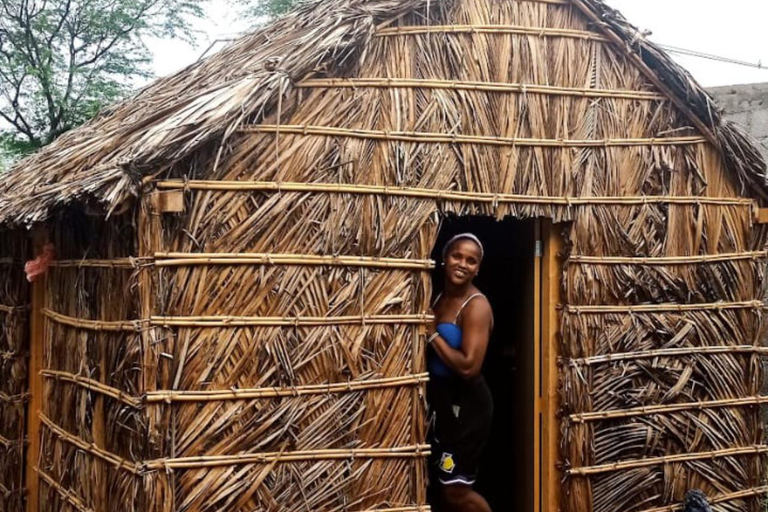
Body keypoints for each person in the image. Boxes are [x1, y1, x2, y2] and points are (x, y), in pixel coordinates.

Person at [426, 233, 494, 512]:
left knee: (456, 492)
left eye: (471, 260)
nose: (462, 264)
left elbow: (469, 366)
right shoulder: (438, 296)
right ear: (444, 258)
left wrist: (432, 335)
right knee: (439, 485)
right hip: (442, 403)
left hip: (467, 407)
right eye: (457, 256)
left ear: (478, 268)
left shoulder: (476, 306)